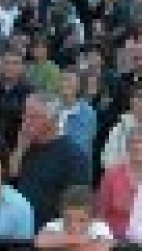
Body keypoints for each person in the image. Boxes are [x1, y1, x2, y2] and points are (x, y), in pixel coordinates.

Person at [11, 93, 91, 229]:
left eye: (33, 117)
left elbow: (76, 207)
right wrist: (19, 149)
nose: (25, 121)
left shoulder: (74, 157)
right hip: (18, 229)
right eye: (24, 114)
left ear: (53, 119)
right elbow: (10, 180)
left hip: (49, 233)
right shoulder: (25, 144)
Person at [96, 126, 142, 240]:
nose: (138, 146)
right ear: (127, 147)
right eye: (133, 142)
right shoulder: (111, 175)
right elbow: (100, 215)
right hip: (115, 241)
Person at [100, 84, 142, 170]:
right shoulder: (121, 127)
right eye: (133, 99)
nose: (137, 103)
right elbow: (106, 158)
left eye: (141, 99)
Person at [35, 185, 114, 251]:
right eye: (68, 219)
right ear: (62, 215)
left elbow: (103, 246)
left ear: (93, 219)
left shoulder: (99, 227)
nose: (74, 225)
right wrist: (77, 239)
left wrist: (62, 244)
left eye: (81, 220)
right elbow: (40, 241)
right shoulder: (55, 225)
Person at [58, 69, 97, 163]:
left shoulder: (87, 112)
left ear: (78, 86)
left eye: (69, 80)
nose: (65, 84)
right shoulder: (51, 107)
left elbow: (80, 146)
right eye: (63, 80)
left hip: (74, 166)